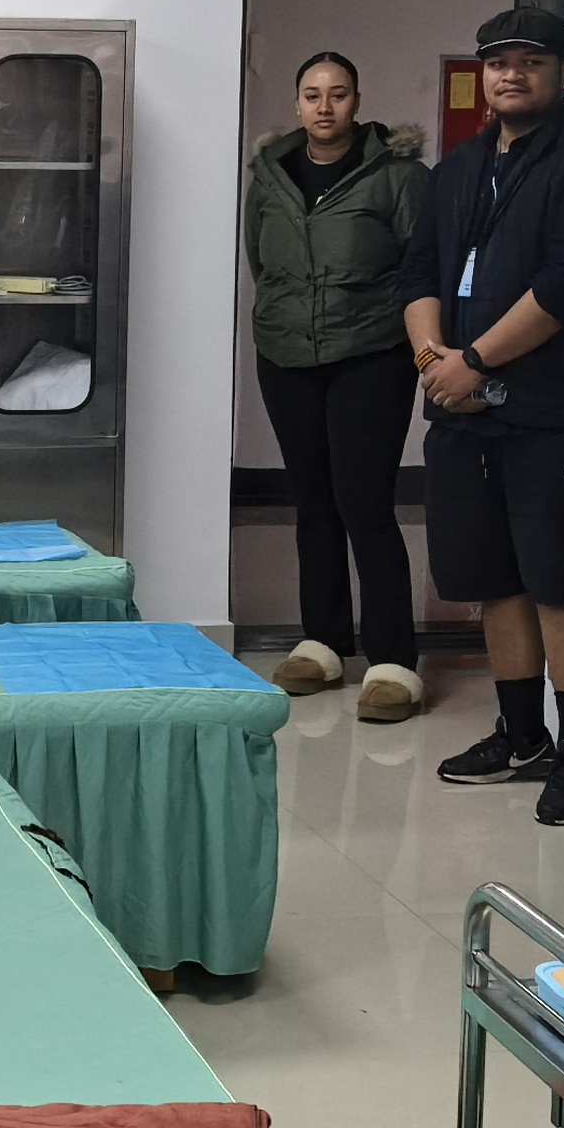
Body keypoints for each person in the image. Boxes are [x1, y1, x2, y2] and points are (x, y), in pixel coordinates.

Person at [405, 6, 564, 827]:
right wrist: (437, 363)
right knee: (493, 579)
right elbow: (419, 274)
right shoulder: (459, 168)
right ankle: (520, 734)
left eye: (531, 62)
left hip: (550, 411)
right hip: (461, 409)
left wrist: (474, 362)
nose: (512, 74)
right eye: (499, 62)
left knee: (559, 581)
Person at [243, 52, 427, 720]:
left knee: (365, 504)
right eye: (313, 94)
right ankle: (321, 643)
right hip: (287, 355)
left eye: (338, 93)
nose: (325, 106)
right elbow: (261, 262)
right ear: (296, 104)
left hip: (371, 355)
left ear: (357, 101)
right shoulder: (269, 175)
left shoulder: (400, 176)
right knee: (312, 501)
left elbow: (420, 267)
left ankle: (392, 662)